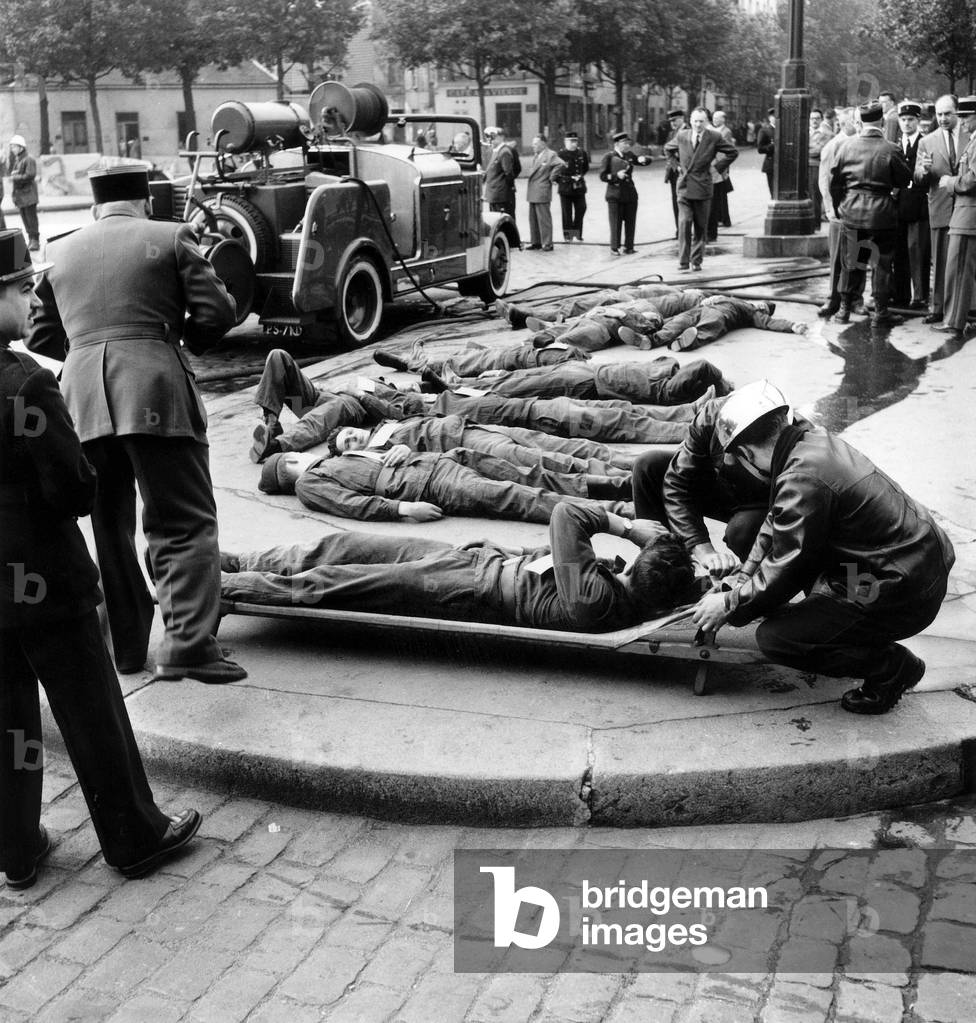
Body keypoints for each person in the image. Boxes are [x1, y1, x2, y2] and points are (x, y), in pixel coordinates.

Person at [0, 228, 202, 889]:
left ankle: (18, 847)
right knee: (91, 712)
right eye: (13, 288)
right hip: (48, 582)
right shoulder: (26, 384)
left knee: (8, 720)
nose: (24, 296)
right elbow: (73, 488)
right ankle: (133, 834)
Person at [25, 166, 245, 684]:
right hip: (156, 392)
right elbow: (216, 313)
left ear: (96, 207)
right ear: (145, 202)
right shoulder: (170, 237)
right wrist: (172, 346)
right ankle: (187, 645)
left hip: (82, 404)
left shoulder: (62, 250)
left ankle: (127, 650)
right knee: (183, 520)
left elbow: (39, 337)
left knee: (109, 528)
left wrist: (86, 352)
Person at [691, 380, 955, 716]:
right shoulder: (805, 444)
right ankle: (832, 621)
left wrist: (728, 604)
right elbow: (774, 526)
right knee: (783, 586)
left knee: (780, 639)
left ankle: (891, 667)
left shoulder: (804, 476)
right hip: (903, 567)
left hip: (898, 590)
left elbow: (786, 566)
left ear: (744, 452)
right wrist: (739, 582)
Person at [221, 504, 695, 633]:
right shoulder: (616, 587)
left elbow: (566, 516)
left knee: (337, 582)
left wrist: (629, 528)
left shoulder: (597, 598)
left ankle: (223, 585)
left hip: (466, 586)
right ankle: (243, 562)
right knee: (343, 545)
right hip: (480, 563)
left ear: (639, 565)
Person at [256, 446, 633, 524]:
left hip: (438, 460)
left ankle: (621, 487)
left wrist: (400, 446)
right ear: (288, 466)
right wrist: (402, 509)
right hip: (433, 485)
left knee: (533, 475)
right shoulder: (311, 482)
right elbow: (353, 504)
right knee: (519, 497)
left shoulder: (331, 460)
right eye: (292, 457)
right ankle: (620, 511)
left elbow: (382, 456)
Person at [632, 388, 793, 567]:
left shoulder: (801, 447)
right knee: (649, 465)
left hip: (766, 505)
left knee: (742, 530)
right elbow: (678, 484)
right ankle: (661, 567)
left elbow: (798, 527)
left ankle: (758, 578)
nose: (727, 460)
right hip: (726, 490)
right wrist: (701, 547)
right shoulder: (713, 416)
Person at [359, 382, 697, 446]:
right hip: (542, 418)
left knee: (619, 409)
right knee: (622, 424)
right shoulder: (432, 414)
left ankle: (689, 412)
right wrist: (354, 390)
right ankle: (688, 432)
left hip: (541, 407)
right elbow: (381, 402)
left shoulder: (445, 396)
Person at [327, 412, 632, 479]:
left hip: (472, 424)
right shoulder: (383, 454)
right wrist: (410, 453)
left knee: (555, 442)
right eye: (349, 443)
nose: (354, 437)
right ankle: (616, 476)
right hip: (464, 442)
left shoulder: (384, 424)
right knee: (538, 457)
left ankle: (627, 461)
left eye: (351, 433)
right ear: (352, 452)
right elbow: (424, 467)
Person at [829, 100, 912, 325]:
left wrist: (840, 207)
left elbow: (834, 181)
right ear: (882, 121)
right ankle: (881, 312)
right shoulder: (891, 148)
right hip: (882, 215)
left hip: (852, 213)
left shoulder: (845, 146)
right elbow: (905, 180)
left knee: (852, 262)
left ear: (861, 122)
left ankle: (843, 311)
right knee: (882, 264)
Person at [426, 354, 729, 407]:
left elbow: (702, 366)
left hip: (589, 384)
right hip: (586, 372)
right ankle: (463, 383)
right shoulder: (665, 368)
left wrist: (724, 386)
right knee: (520, 378)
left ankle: (456, 390)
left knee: (521, 387)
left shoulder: (666, 391)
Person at [917, 95, 970, 324]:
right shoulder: (927, 141)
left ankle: (967, 308)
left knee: (964, 261)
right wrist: (924, 171)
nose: (942, 119)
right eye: (939, 114)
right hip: (939, 206)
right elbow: (918, 177)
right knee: (939, 260)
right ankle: (937, 307)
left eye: (948, 114)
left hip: (966, 207)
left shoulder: (971, 136)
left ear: (957, 113)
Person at [665, 107, 738, 273]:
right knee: (684, 222)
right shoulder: (682, 136)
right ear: (690, 121)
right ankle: (683, 261)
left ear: (707, 122)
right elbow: (668, 149)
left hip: (703, 186)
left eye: (701, 121)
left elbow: (732, 152)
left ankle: (696, 260)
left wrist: (716, 168)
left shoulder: (714, 137)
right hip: (684, 186)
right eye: (695, 121)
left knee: (700, 225)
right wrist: (676, 166)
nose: (698, 124)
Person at [934, 96, 976, 340]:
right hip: (965, 215)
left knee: (958, 270)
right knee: (961, 269)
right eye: (961, 117)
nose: (963, 122)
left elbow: (972, 179)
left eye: (966, 117)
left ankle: (954, 322)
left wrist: (951, 182)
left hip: (968, 216)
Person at [818, 107, 863, 318]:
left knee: (860, 254)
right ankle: (833, 298)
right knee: (837, 257)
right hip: (840, 212)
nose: (859, 125)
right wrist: (830, 210)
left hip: (860, 211)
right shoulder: (833, 146)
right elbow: (825, 181)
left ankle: (856, 297)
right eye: (856, 121)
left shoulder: (861, 143)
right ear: (845, 124)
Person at [652, 297, 808, 352]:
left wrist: (792, 326)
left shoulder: (751, 312)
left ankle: (683, 343)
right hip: (703, 308)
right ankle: (653, 339)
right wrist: (711, 298)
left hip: (720, 314)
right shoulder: (734, 299)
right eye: (762, 305)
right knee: (679, 321)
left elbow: (770, 322)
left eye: (764, 309)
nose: (761, 308)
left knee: (707, 327)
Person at [891, 101, 931, 310]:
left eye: (911, 120)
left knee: (917, 250)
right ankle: (901, 295)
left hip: (918, 206)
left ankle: (920, 295)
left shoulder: (925, 143)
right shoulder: (895, 145)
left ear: (918, 121)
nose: (907, 123)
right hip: (898, 207)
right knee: (899, 253)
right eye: (903, 120)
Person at [599, 131, 651, 255]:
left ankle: (629, 246)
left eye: (628, 143)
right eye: (624, 143)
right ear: (617, 144)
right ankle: (614, 247)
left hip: (629, 193)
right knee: (615, 222)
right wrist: (616, 176)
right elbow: (602, 176)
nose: (627, 145)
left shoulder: (629, 155)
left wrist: (644, 159)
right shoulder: (609, 157)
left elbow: (641, 161)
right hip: (615, 194)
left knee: (630, 221)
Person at [525, 135, 564, 250]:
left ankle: (547, 242)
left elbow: (561, 164)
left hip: (542, 190)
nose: (533, 146)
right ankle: (536, 241)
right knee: (533, 218)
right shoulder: (537, 156)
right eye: (533, 143)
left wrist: (552, 177)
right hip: (533, 190)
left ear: (543, 144)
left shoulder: (550, 154)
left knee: (544, 218)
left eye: (536, 144)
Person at [707, 111, 735, 240]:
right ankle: (718, 218)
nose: (715, 120)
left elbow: (728, 150)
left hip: (719, 166)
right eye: (713, 118)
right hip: (711, 164)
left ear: (723, 120)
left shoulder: (726, 131)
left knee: (721, 194)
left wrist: (723, 167)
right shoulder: (710, 129)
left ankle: (724, 218)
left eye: (718, 118)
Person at [7, 135, 39, 251]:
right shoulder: (18, 160)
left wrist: (15, 178)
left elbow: (30, 175)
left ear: (21, 147)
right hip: (21, 196)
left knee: (31, 219)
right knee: (25, 219)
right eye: (12, 147)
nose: (13, 149)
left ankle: (35, 240)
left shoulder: (28, 159)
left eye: (14, 147)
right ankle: (31, 239)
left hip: (29, 194)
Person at [556, 132, 589, 241]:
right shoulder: (560, 155)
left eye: (575, 141)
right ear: (565, 142)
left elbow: (585, 167)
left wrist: (579, 176)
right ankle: (568, 235)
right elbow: (554, 171)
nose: (574, 144)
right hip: (566, 187)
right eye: (571, 141)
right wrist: (565, 179)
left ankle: (577, 231)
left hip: (579, 186)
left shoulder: (581, 153)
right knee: (567, 212)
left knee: (582, 208)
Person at [483, 127, 518, 218]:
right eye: (488, 137)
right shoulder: (494, 151)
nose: (490, 140)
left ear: (501, 137)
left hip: (501, 195)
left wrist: (507, 189)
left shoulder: (504, 152)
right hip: (495, 195)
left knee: (502, 219)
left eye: (493, 137)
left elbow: (508, 173)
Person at [664, 109, 687, 238]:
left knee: (688, 201)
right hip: (674, 172)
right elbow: (668, 151)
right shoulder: (671, 133)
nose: (672, 123)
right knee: (676, 201)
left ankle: (686, 230)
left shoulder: (689, 130)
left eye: (675, 120)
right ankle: (680, 230)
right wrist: (675, 165)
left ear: (682, 118)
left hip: (686, 171)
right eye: (671, 121)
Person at [808, 108, 833, 226]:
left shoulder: (827, 134)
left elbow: (819, 152)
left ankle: (815, 225)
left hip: (816, 167)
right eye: (812, 118)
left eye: (817, 118)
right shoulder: (804, 132)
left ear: (821, 120)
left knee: (815, 196)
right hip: (804, 167)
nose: (814, 121)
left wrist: (807, 150)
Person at [757, 109, 776, 197]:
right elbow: (760, 149)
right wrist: (772, 146)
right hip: (771, 164)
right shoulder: (764, 130)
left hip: (785, 165)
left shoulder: (786, 129)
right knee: (773, 190)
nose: (776, 118)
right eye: (774, 116)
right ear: (770, 118)